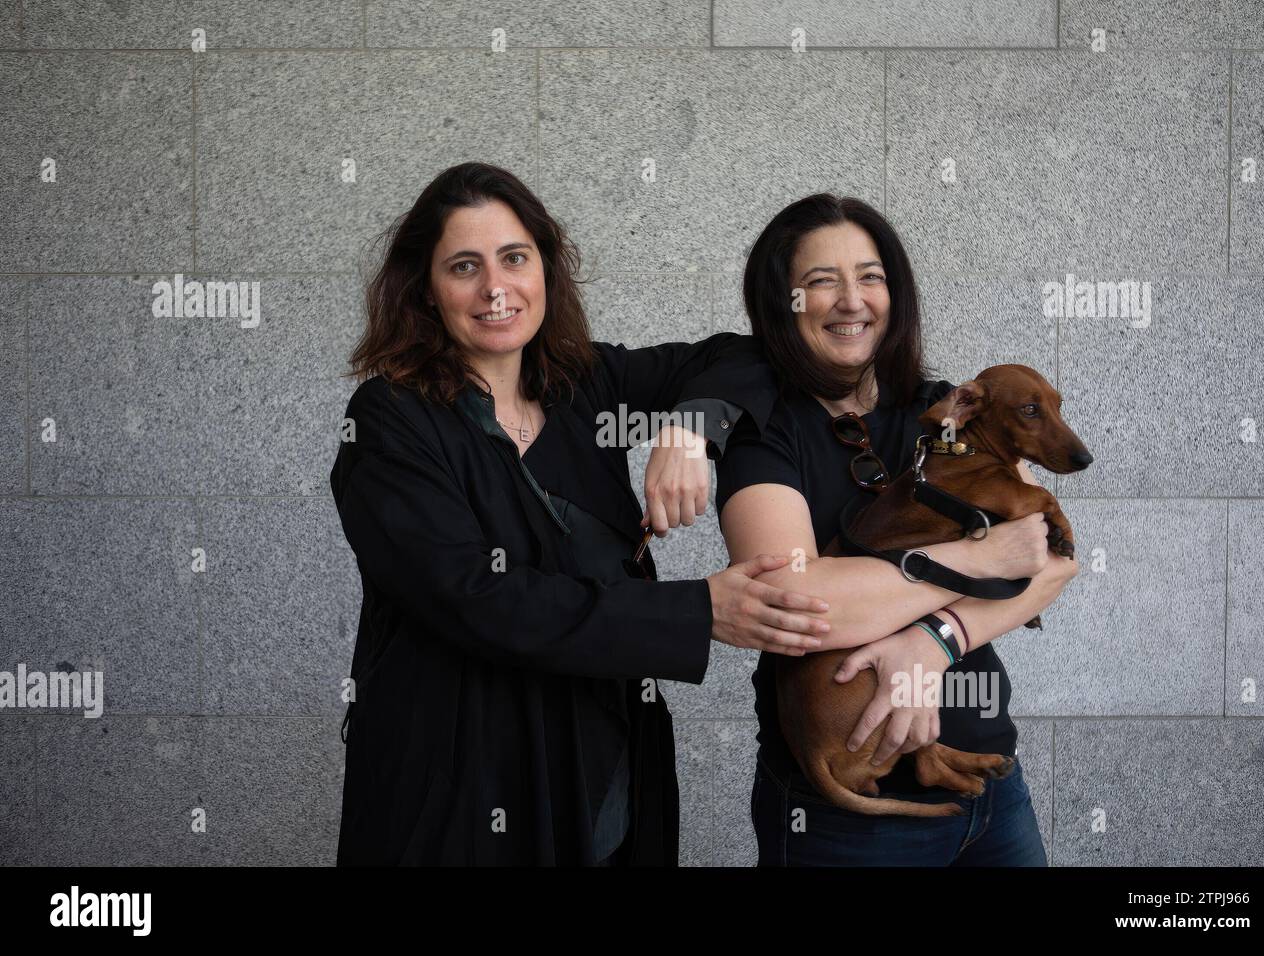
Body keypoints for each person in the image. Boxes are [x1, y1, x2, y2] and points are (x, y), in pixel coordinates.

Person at [329, 162, 831, 866]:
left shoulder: (584, 385)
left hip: (606, 760)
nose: (495, 289)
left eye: (514, 259)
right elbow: (475, 597)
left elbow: (747, 356)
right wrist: (695, 612)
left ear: (545, 268)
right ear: (424, 289)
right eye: (464, 267)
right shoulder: (388, 421)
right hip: (461, 777)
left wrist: (691, 429)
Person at [715, 193, 1079, 866]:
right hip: (851, 819)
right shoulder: (762, 438)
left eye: (871, 276)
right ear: (782, 303)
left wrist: (937, 641)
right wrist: (978, 557)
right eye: (821, 281)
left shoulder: (941, 409)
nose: (852, 299)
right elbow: (797, 605)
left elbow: (1051, 559)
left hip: (992, 782)